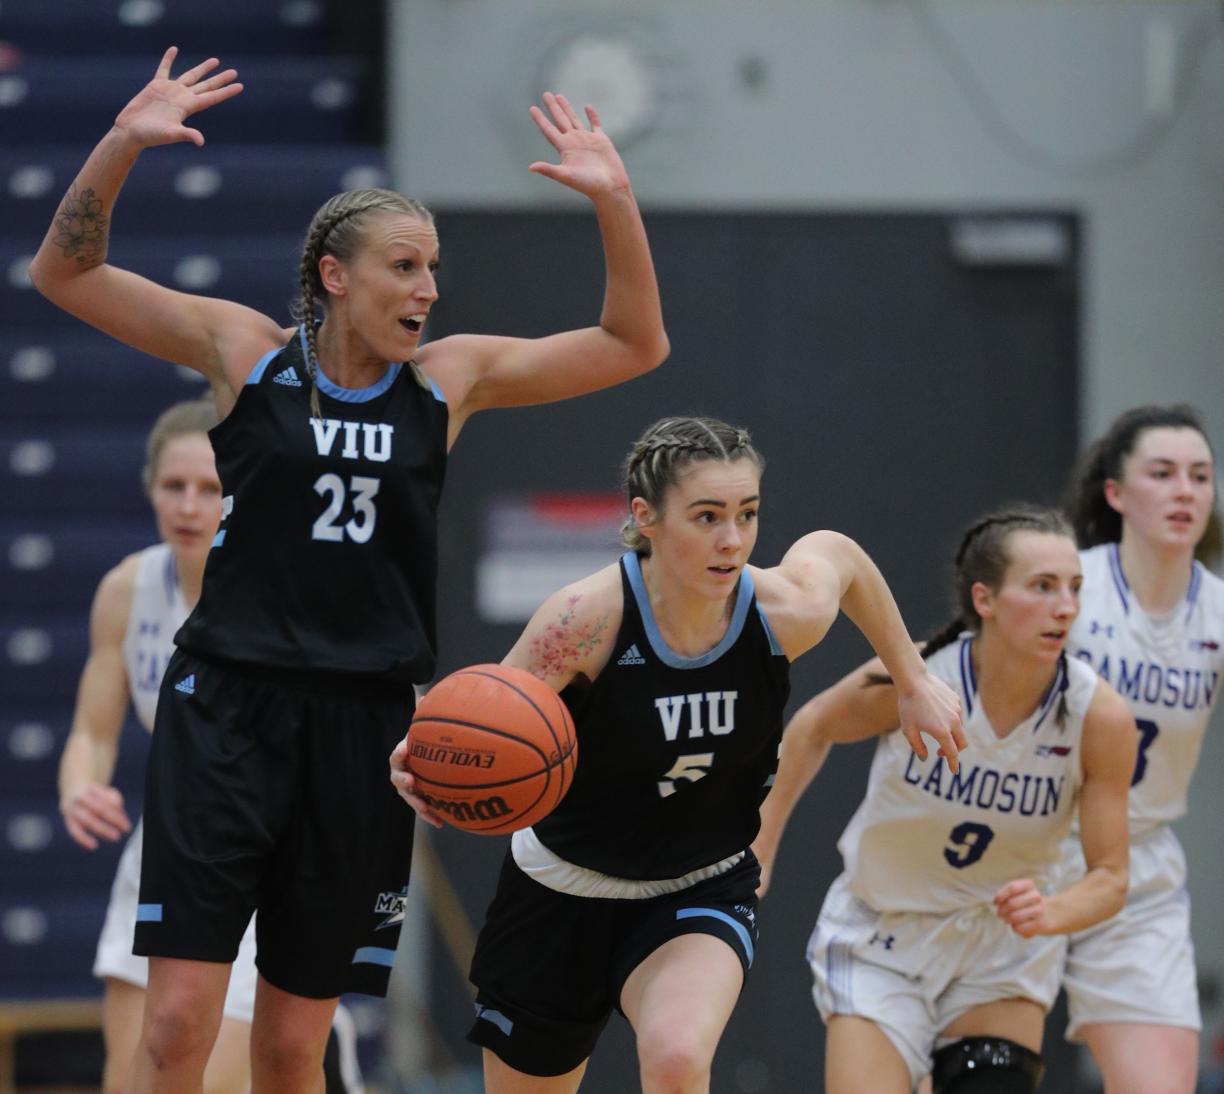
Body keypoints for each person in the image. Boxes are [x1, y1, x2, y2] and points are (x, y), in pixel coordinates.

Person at [29, 46, 668, 1094]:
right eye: (404, 265)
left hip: (364, 721)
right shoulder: (246, 354)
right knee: (179, 1021)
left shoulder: (448, 380)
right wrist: (120, 145)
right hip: (226, 706)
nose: (427, 287)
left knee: (293, 1045)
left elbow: (633, 341)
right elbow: (65, 272)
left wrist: (616, 200)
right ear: (336, 274)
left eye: (432, 269)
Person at [389, 415, 964, 1093]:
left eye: (747, 515)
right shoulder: (585, 622)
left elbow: (839, 555)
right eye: (708, 516)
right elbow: (487, 720)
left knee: (676, 1056)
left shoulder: (780, 611)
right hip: (560, 889)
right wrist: (426, 759)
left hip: (698, 886)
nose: (733, 540)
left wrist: (913, 678)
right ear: (647, 517)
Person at [752, 506, 1138, 1094]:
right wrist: (760, 849)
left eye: (1075, 588)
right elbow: (810, 727)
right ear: (984, 599)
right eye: (1042, 587)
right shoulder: (917, 678)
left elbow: (1111, 876)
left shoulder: (1097, 716)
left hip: (999, 951)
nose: (1065, 606)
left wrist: (1055, 912)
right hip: (884, 933)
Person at [57, 399, 255, 1094]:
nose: (191, 505)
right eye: (175, 487)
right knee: (128, 1083)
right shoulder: (127, 589)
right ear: (150, 489)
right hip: (165, 850)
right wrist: (81, 785)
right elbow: (91, 731)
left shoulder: (282, 593)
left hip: (260, 863)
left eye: (211, 489)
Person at [1060, 405, 1223, 1094]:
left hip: (1136, 863)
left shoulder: (1215, 611)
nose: (1185, 490)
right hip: (1019, 845)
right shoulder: (1065, 585)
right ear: (1116, 492)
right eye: (1163, 473)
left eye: (1200, 476)